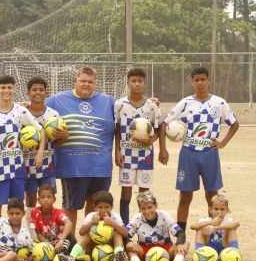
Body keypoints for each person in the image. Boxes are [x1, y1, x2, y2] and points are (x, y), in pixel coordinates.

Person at [160, 67, 239, 234]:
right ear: (192, 82)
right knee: (185, 196)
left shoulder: (219, 102)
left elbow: (234, 124)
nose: (200, 83)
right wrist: (163, 149)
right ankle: (180, 235)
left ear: (208, 80)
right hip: (188, 153)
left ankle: (213, 232)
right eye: (196, 80)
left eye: (203, 79)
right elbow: (164, 124)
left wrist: (223, 142)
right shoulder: (185, 103)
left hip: (210, 153)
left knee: (212, 196)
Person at [45, 66, 116, 231]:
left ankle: (89, 243)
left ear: (95, 83)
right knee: (71, 206)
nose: (86, 84)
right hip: (73, 166)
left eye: (90, 82)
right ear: (75, 81)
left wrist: (152, 103)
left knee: (96, 206)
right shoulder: (57, 100)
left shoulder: (109, 102)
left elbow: (128, 111)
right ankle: (68, 243)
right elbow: (38, 111)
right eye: (83, 81)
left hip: (101, 166)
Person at [0, 75, 42, 219]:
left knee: (17, 204)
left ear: (14, 89)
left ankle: (16, 236)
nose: (6, 90)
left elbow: (41, 131)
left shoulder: (21, 111)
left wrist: (39, 153)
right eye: (3, 87)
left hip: (17, 166)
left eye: (9, 87)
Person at [114, 68, 160, 225]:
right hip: (126, 155)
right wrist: (117, 151)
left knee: (144, 194)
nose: (137, 83)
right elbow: (117, 129)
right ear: (127, 83)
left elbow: (159, 128)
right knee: (126, 192)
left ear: (144, 83)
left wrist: (151, 140)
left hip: (145, 155)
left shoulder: (152, 106)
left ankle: (143, 226)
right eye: (133, 80)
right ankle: (125, 228)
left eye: (140, 81)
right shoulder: (120, 104)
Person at [57, 190, 128, 261]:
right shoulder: (91, 216)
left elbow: (126, 233)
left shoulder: (115, 217)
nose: (103, 210)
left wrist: (113, 224)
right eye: (100, 207)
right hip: (93, 247)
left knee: (117, 234)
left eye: (107, 207)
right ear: (94, 207)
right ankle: (71, 258)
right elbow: (81, 232)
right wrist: (91, 223)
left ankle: (118, 259)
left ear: (112, 207)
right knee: (87, 235)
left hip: (110, 247)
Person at [23, 77, 59, 227]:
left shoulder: (53, 115)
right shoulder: (21, 113)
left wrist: (61, 135)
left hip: (47, 164)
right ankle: (32, 236)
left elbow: (59, 139)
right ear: (28, 93)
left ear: (46, 93)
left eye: (41, 90)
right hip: (27, 164)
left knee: (48, 199)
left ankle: (49, 232)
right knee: (30, 199)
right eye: (34, 90)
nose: (38, 93)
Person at [124, 191, 188, 261]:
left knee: (185, 243)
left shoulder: (164, 215)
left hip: (166, 250)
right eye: (143, 208)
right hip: (144, 251)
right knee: (129, 245)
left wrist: (179, 244)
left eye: (150, 207)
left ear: (156, 205)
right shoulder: (137, 218)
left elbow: (180, 233)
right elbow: (125, 234)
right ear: (139, 209)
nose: (147, 211)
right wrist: (128, 242)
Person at [191, 194, 244, 261]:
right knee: (200, 229)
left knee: (231, 229)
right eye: (216, 209)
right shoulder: (206, 220)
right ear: (210, 210)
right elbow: (192, 226)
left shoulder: (228, 221)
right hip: (208, 251)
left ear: (227, 210)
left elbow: (237, 224)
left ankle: (236, 256)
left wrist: (216, 228)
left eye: (222, 209)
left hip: (225, 251)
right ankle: (198, 256)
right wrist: (210, 223)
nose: (219, 212)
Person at [29, 184, 74, 256]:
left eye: (49, 197)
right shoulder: (35, 212)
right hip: (47, 241)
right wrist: (48, 245)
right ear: (38, 200)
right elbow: (38, 233)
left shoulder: (58, 212)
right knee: (31, 248)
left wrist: (61, 240)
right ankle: (57, 254)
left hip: (61, 240)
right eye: (42, 197)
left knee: (70, 237)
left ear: (54, 199)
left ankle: (63, 255)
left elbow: (69, 223)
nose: (45, 200)